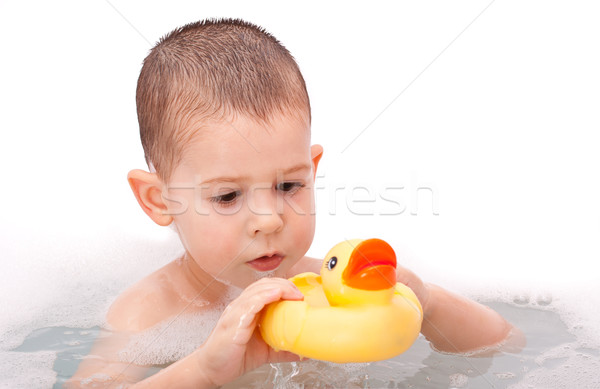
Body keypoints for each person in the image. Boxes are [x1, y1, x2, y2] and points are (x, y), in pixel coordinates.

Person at [67, 18, 519, 388]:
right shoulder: (150, 312)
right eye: (227, 196)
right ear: (158, 200)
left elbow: (507, 344)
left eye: (289, 186)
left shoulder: (320, 283)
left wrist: (427, 302)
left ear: (313, 168)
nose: (269, 219)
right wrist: (203, 370)